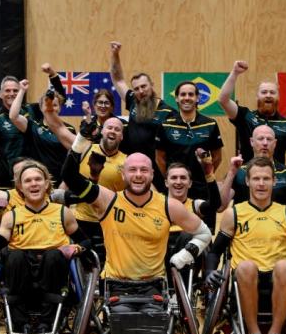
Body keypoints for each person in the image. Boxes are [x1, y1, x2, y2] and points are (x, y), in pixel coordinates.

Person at [61, 124, 212, 308]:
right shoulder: (107, 200)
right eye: (132, 170)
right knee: (124, 321)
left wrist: (183, 256)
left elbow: (204, 234)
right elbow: (69, 176)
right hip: (115, 283)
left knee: (152, 326)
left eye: (144, 170)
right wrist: (81, 138)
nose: (138, 175)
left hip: (154, 284)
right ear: (123, 174)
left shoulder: (168, 205)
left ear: (152, 175)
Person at [205, 157, 286, 334]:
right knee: (246, 266)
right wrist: (210, 271)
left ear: (274, 181)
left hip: (280, 277)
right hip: (245, 277)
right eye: (256, 179)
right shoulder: (234, 213)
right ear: (247, 181)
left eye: (266, 179)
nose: (261, 184)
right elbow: (215, 250)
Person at [0, 161, 87, 332]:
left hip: (53, 272)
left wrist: (76, 249)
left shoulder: (62, 212)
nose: (33, 184)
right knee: (14, 255)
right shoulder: (11, 216)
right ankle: (20, 325)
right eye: (28, 181)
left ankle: (47, 325)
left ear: (46, 183)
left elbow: (85, 242)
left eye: (38, 179)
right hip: (20, 274)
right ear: (20, 187)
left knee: (53, 255)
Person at [43, 102, 127, 266]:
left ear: (122, 136)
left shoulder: (127, 161)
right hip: (80, 220)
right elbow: (57, 127)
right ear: (102, 130)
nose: (113, 131)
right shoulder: (85, 148)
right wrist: (48, 108)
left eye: (118, 129)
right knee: (78, 265)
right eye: (109, 127)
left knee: (104, 266)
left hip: (108, 222)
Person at [0, 66, 67, 188]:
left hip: (31, 176)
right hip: (6, 178)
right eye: (7, 91)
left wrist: (52, 74)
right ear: (0, 94)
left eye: (15, 90)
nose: (11, 94)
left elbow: (59, 97)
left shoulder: (32, 110)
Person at [109, 41, 175, 187]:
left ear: (152, 85)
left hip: (157, 171)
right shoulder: (133, 101)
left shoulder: (169, 112)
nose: (141, 91)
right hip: (133, 168)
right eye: (137, 88)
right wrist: (115, 54)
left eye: (144, 86)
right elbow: (118, 78)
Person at [218, 60, 286, 169]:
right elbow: (223, 100)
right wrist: (235, 72)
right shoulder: (245, 116)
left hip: (275, 179)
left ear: (278, 97)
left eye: (272, 92)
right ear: (257, 96)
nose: (268, 95)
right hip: (247, 177)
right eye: (264, 92)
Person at [156, 81, 223, 200]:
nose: (187, 98)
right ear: (176, 98)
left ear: (197, 98)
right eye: (183, 94)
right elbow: (160, 158)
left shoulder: (210, 124)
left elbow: (217, 157)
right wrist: (172, 178)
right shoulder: (165, 125)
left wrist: (205, 176)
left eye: (191, 95)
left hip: (202, 189)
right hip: (176, 189)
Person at [218, 126, 286, 210]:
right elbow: (221, 206)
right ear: (252, 142)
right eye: (260, 138)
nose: (265, 143)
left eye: (269, 139)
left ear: (275, 143)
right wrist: (231, 173)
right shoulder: (239, 172)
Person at [9, 80, 74, 186]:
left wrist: (66, 181)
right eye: (47, 104)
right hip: (37, 180)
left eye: (55, 105)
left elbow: (72, 157)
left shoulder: (69, 129)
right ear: (40, 107)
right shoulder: (33, 125)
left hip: (61, 182)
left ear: (60, 107)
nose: (51, 108)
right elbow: (13, 116)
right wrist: (22, 91)